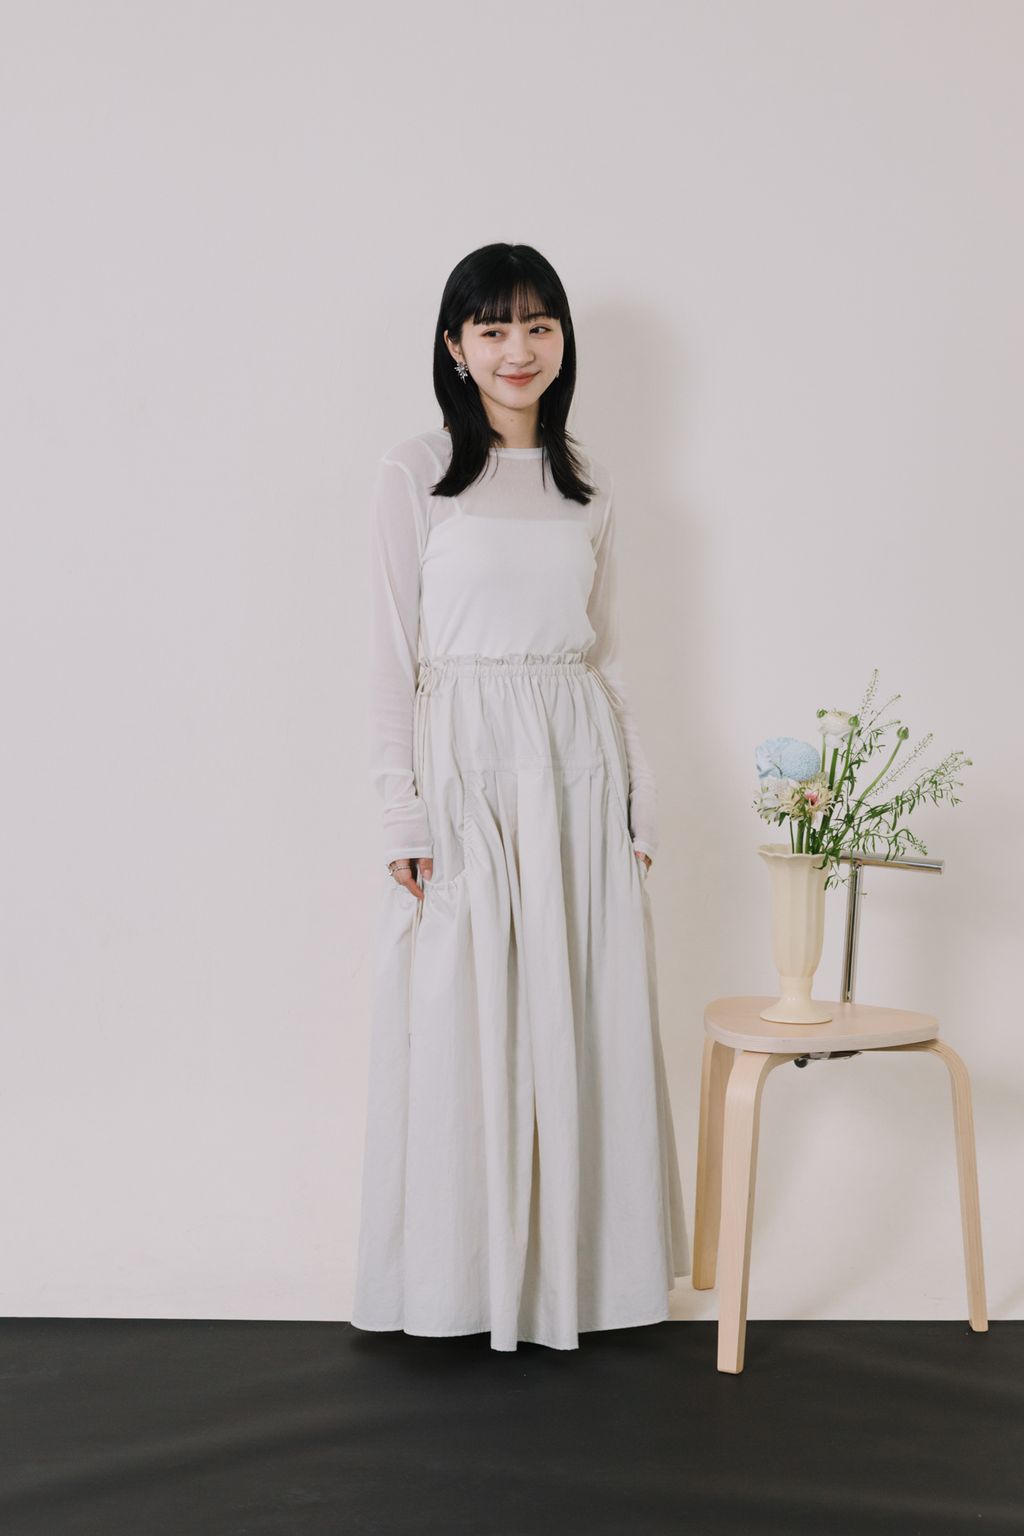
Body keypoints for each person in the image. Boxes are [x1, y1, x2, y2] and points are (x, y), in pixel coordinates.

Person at [351, 242, 690, 1353]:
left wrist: (640, 800)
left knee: (581, 1009)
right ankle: (462, 1287)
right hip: (464, 761)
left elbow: (612, 654)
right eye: (492, 328)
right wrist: (400, 810)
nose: (517, 349)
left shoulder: (586, 482)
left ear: (561, 340)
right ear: (455, 346)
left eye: (537, 325)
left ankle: (583, 1286)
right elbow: (388, 655)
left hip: (577, 763)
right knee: (462, 1018)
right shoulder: (416, 472)